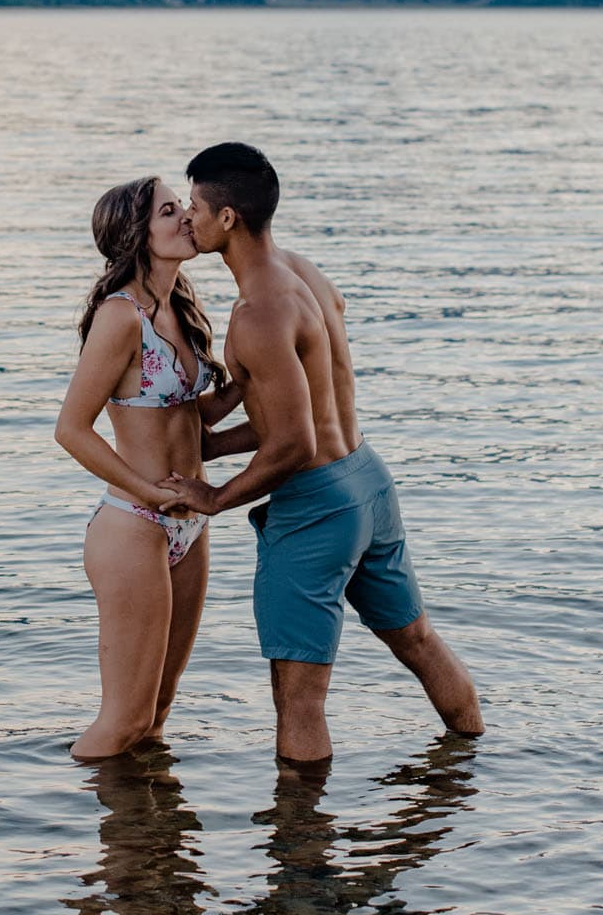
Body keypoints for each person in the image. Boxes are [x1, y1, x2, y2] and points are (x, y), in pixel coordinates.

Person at [161, 142, 484, 763]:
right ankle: (470, 770)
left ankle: (301, 852)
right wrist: (215, 437)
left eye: (196, 206)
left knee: (300, 697)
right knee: (418, 640)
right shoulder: (301, 272)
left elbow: (293, 443)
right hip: (367, 480)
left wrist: (213, 498)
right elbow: (301, 409)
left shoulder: (256, 315)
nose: (188, 218)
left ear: (227, 218)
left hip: (316, 507)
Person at [55, 176, 242, 761]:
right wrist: (148, 492)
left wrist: (255, 377)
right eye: (170, 211)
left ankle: (151, 846)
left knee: (158, 714)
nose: (187, 217)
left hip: (190, 523)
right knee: (125, 720)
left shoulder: (179, 307)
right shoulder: (120, 317)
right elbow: (71, 429)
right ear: (138, 234)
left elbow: (189, 419)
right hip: (135, 522)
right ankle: (59, 826)